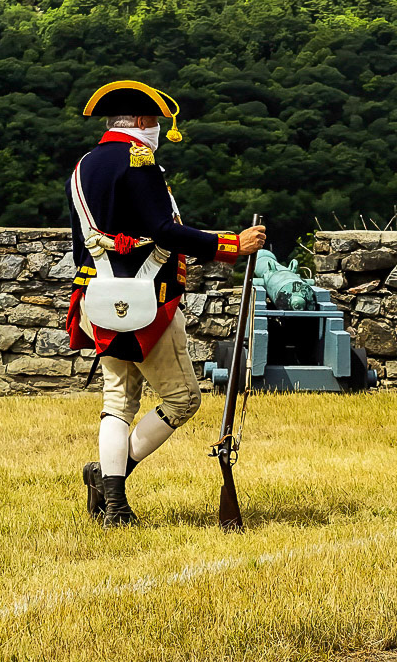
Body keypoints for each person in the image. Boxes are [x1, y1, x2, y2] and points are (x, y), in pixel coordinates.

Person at [66, 79, 266, 526]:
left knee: (118, 400)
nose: (157, 129)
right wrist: (230, 244)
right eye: (154, 121)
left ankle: (113, 503)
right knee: (182, 400)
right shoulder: (140, 163)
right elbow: (165, 230)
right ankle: (109, 481)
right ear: (140, 122)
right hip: (145, 300)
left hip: (97, 298)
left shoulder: (83, 166)